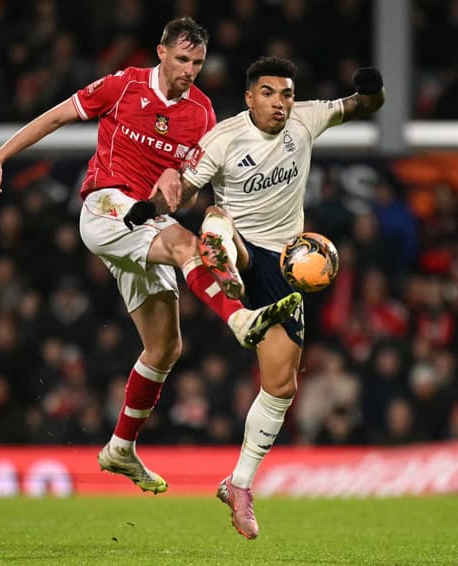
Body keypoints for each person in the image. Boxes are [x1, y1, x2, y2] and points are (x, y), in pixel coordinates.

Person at [0, 19, 300, 495]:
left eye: (198, 63)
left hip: (147, 221)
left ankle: (120, 448)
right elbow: (57, 116)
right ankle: (239, 320)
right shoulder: (124, 86)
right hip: (105, 206)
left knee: (166, 348)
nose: (189, 70)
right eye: (182, 59)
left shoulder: (202, 115)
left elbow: (183, 190)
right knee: (188, 246)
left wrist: (178, 194)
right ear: (161, 53)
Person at [126, 56, 385, 537]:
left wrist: (372, 88)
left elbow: (365, 105)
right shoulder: (223, 138)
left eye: (286, 93)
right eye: (269, 93)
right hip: (245, 248)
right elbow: (181, 187)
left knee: (282, 386)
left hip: (287, 266)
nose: (280, 102)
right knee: (217, 218)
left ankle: (239, 484)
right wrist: (149, 207)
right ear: (250, 98)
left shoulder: (306, 118)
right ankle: (223, 261)